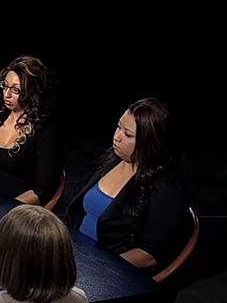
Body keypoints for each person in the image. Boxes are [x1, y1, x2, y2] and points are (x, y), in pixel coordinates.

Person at [65, 97, 191, 271]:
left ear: (150, 141)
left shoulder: (166, 186)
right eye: (118, 127)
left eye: (128, 134)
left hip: (109, 273)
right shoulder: (114, 160)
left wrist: (97, 267)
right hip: (77, 256)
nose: (117, 137)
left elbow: (149, 254)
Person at [0, 55, 63, 205]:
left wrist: (5, 207)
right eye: (5, 86)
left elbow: (42, 190)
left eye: (16, 90)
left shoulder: (46, 132)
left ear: (33, 92)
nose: (7, 94)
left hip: (12, 212)